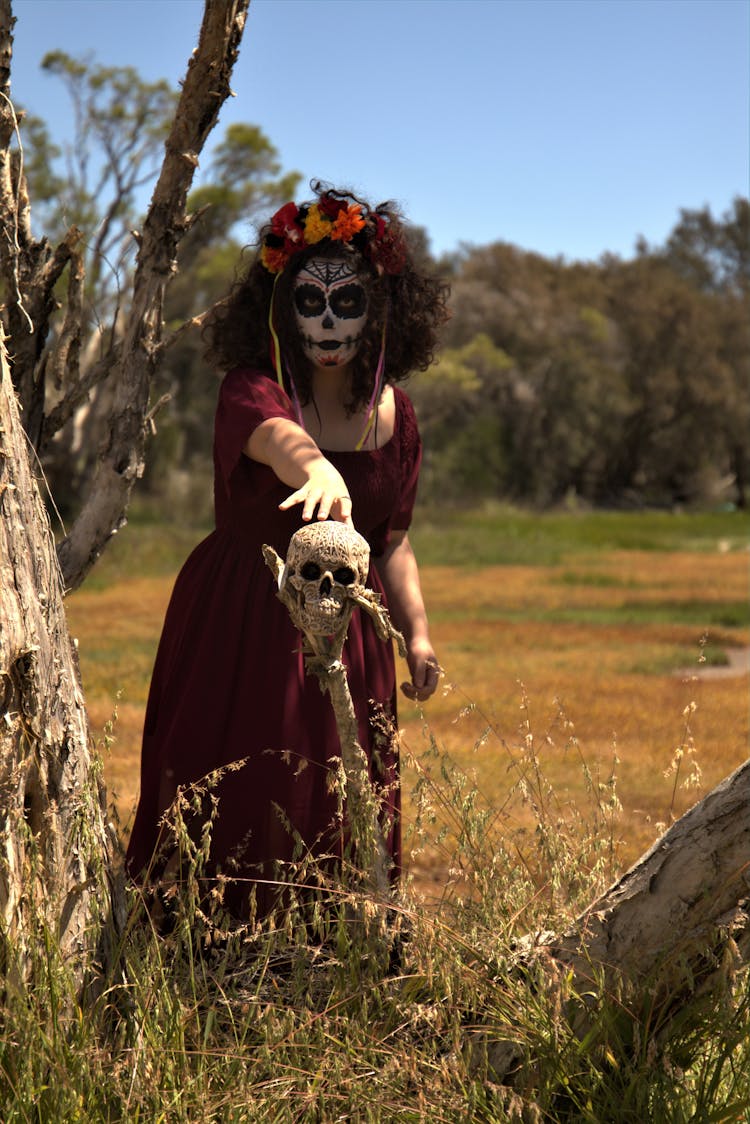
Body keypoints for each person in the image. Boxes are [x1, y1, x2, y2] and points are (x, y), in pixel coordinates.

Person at [125, 184, 449, 919]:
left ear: (382, 313)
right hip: (241, 618)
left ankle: (329, 953)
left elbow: (392, 540)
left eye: (348, 303)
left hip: (350, 629)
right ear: (279, 309)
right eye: (309, 302)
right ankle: (206, 947)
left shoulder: (397, 415)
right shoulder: (253, 387)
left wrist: (418, 633)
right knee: (236, 782)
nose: (329, 320)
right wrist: (313, 466)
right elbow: (271, 437)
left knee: (338, 792)